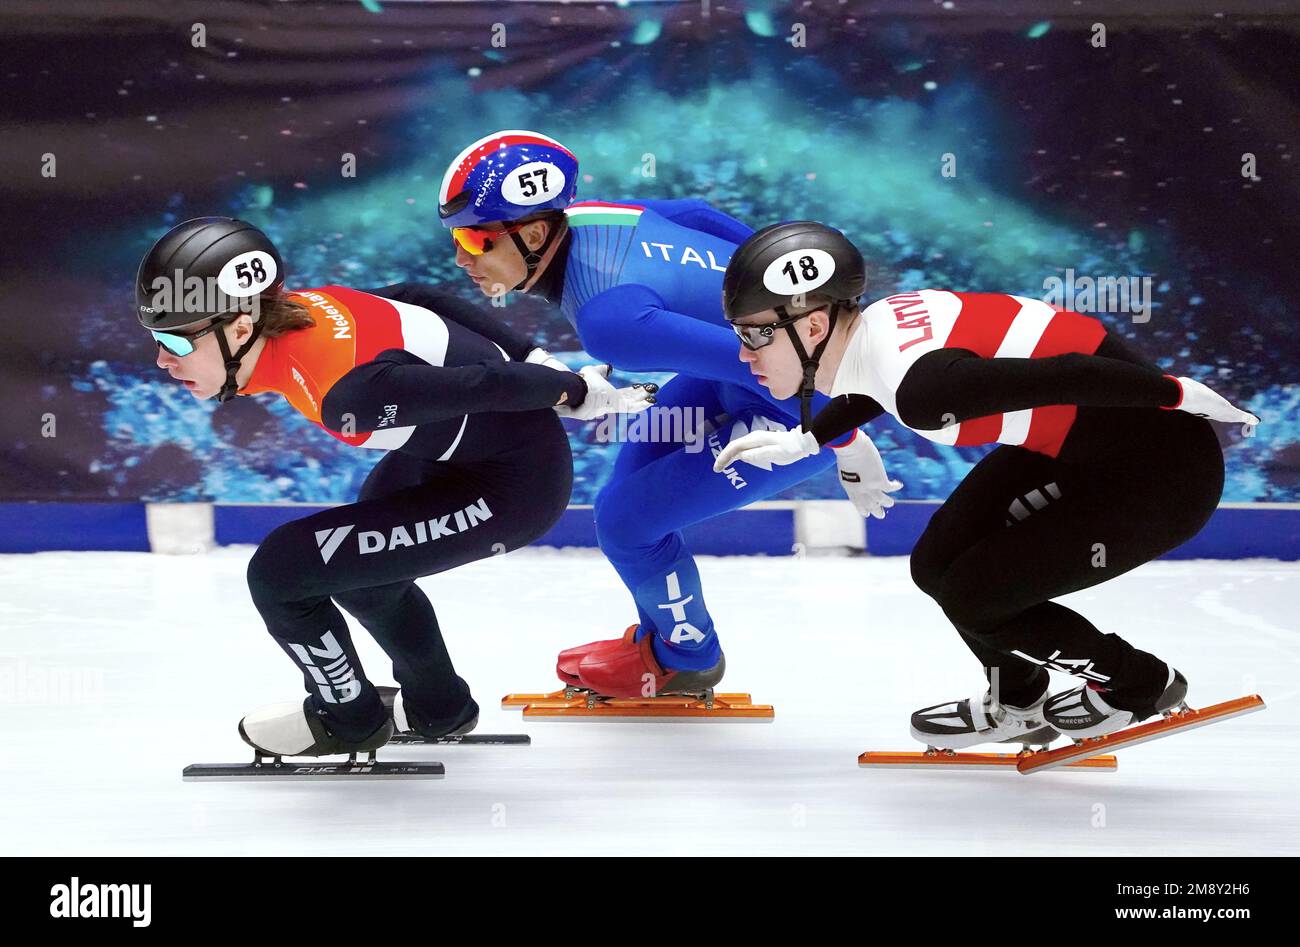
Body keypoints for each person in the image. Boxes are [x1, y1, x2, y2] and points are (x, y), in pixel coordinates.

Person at [714, 221, 1260, 746]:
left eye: (756, 334)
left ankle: (1139, 681)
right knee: (936, 563)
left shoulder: (922, 391)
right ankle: (1018, 699)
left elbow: (1069, 371)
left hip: (1163, 477)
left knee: (975, 597)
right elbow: (873, 385)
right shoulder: (879, 332)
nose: (744, 353)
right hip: (1082, 446)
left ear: (813, 327)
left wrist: (1179, 395)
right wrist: (806, 442)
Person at [136, 216, 652, 757]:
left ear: (241, 330)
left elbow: (483, 383)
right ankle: (440, 707)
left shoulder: (344, 393)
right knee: (362, 575)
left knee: (280, 572)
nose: (162, 359)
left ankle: (348, 719)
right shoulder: (308, 308)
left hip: (512, 488)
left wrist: (569, 388)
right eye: (156, 337)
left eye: (173, 339)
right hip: (459, 458)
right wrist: (530, 353)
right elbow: (415, 297)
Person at [435, 130, 902, 699]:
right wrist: (788, 283)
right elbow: (695, 215)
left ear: (534, 234)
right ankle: (665, 636)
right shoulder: (590, 216)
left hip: (797, 402)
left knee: (627, 523)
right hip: (743, 376)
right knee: (622, 503)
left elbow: (759, 363)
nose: (460, 258)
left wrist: (845, 439)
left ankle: (686, 658)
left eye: (474, 239)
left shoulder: (609, 320)